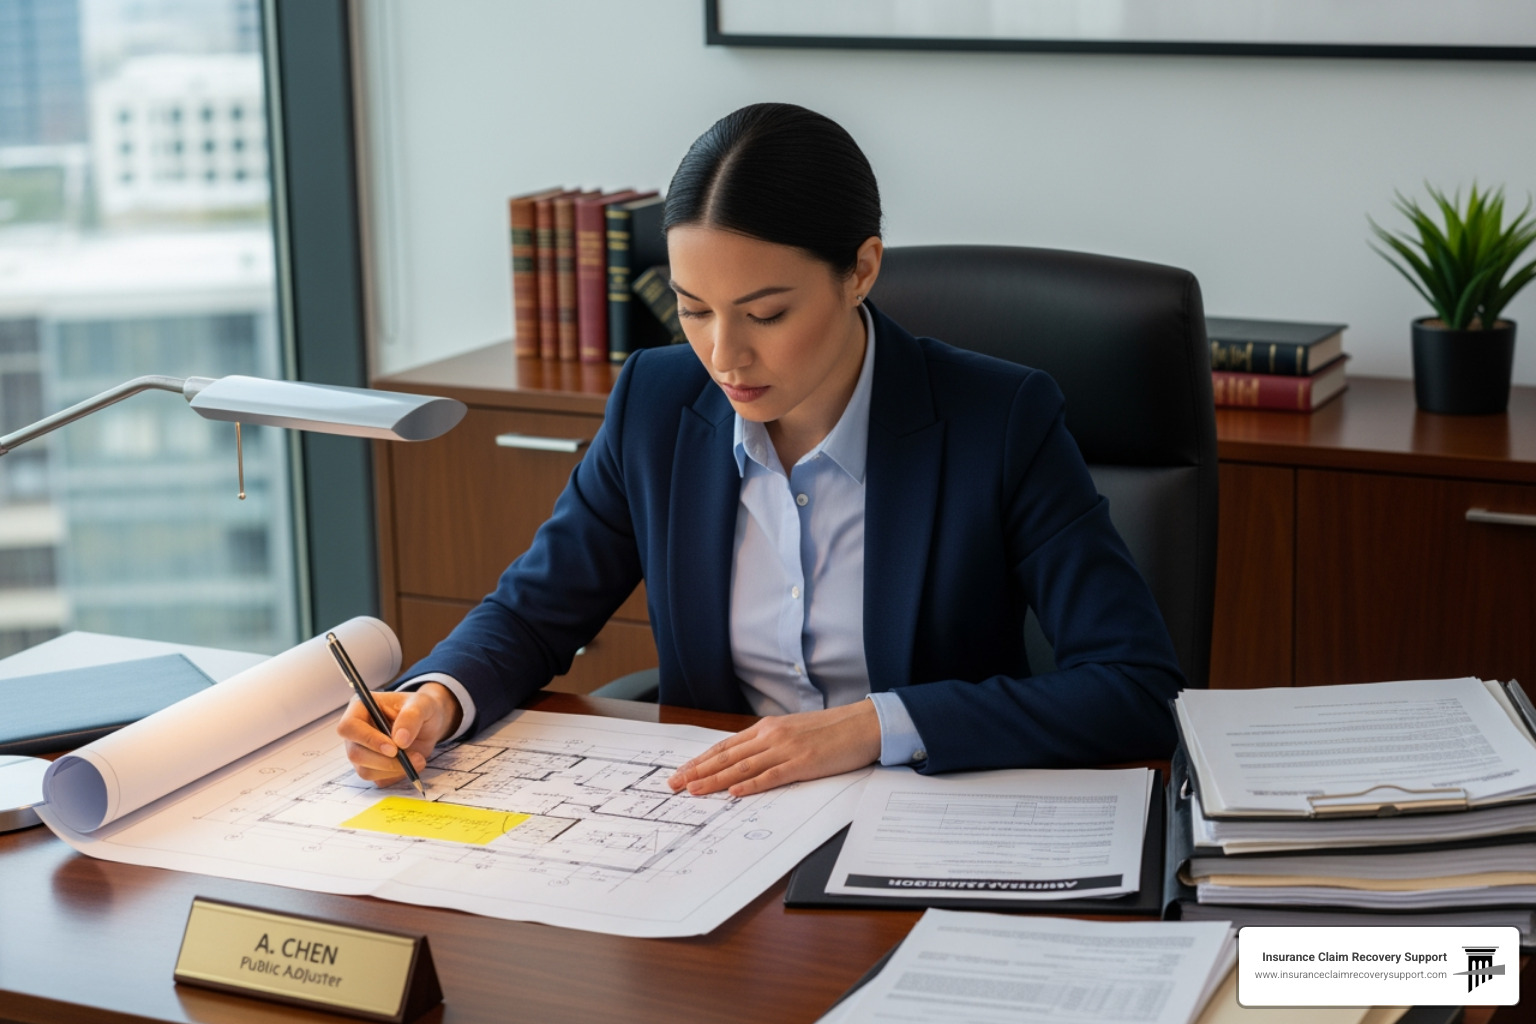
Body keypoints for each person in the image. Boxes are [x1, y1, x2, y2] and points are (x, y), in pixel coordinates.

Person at [340, 102, 1185, 799]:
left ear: (861, 270)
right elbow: (532, 614)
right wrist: (433, 703)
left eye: (767, 313)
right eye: (693, 308)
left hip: (933, 813)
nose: (724, 355)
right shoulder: (657, 403)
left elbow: (1134, 687)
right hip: (724, 829)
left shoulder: (997, 420)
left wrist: (872, 725)